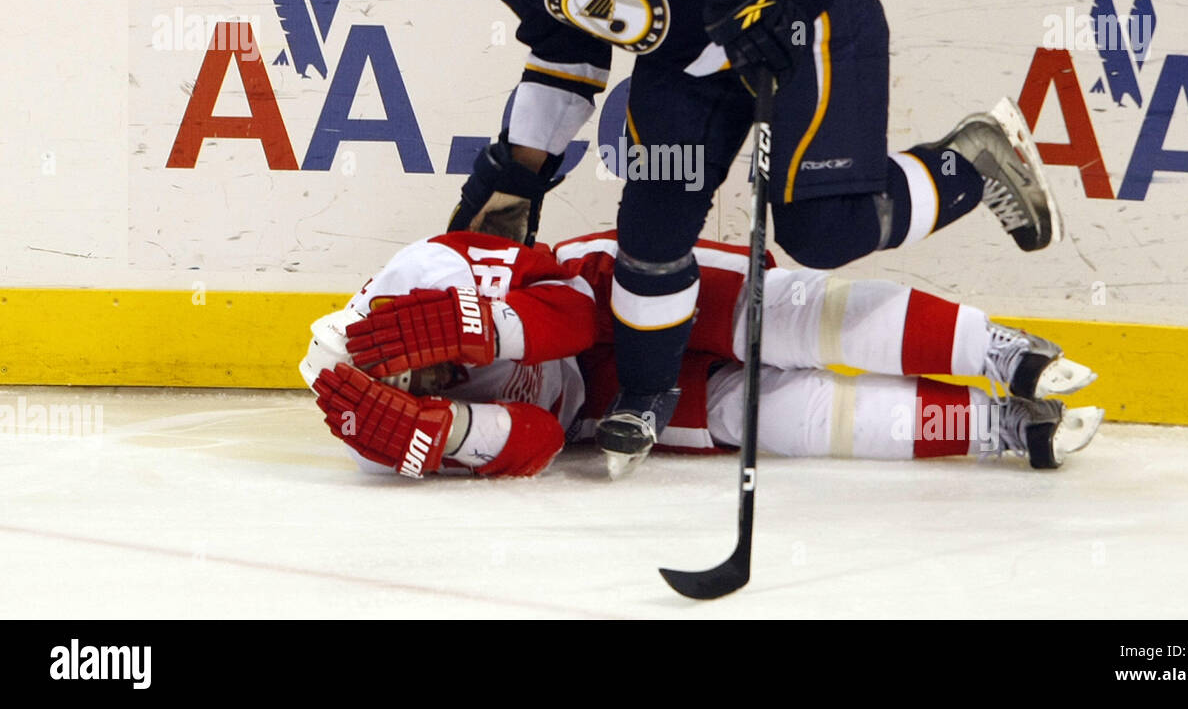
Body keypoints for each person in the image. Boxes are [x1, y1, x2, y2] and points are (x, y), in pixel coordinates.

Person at [378, 0, 1064, 476]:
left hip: (797, 1)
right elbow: (567, 60)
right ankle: (646, 394)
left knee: (822, 231)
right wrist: (518, 172)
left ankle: (971, 163)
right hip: (686, 61)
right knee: (650, 228)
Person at [300, 201, 1102, 480]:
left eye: (414, 373)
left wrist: (481, 329)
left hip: (626, 294)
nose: (428, 388)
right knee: (763, 418)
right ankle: (997, 428)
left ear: (387, 332)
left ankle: (998, 352)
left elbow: (572, 303)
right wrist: (449, 434)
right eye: (416, 397)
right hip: (605, 406)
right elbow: (544, 439)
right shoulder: (382, 432)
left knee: (789, 318)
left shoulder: (429, 267)